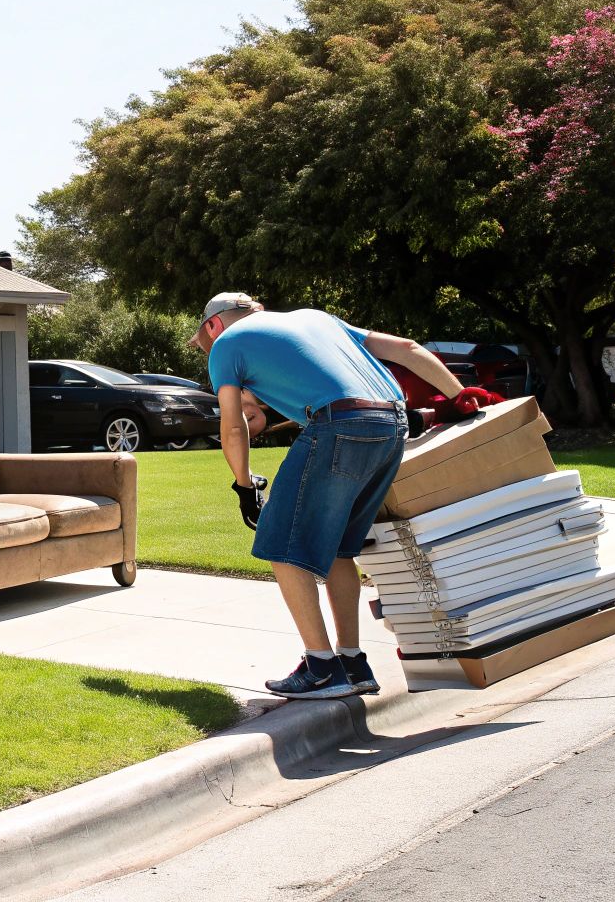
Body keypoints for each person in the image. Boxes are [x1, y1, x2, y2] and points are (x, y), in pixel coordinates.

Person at [189, 292, 487, 699]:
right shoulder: (316, 318)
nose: (207, 348)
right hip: (393, 425)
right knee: (339, 551)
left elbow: (234, 425)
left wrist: (243, 485)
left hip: (340, 425)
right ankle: (352, 662)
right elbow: (407, 348)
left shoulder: (226, 344)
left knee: (280, 545)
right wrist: (460, 396)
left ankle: (321, 668)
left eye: (204, 341)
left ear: (212, 326)